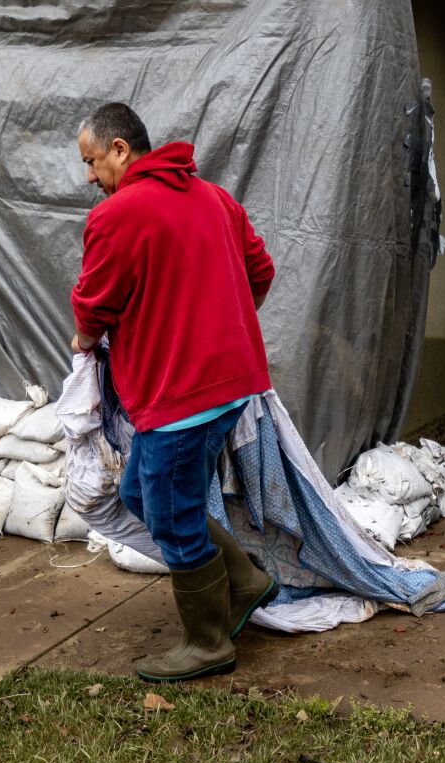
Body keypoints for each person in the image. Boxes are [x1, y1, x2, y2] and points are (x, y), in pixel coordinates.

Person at [70, 102, 278, 682]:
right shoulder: (214, 197)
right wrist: (223, 329)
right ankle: (247, 581)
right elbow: (260, 270)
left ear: (119, 149)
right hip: (229, 386)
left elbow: (94, 305)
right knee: (140, 490)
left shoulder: (118, 215)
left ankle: (209, 643)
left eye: (92, 161)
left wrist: (83, 339)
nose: (90, 176)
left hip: (183, 395)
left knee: (170, 513)